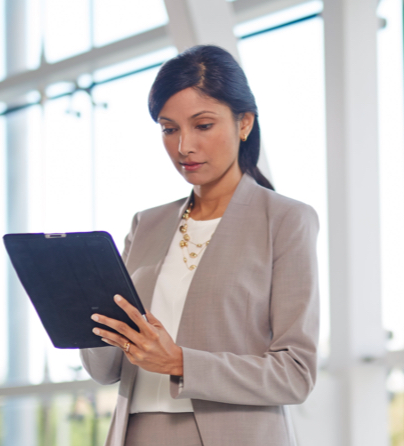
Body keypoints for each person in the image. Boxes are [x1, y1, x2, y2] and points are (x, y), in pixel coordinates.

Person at [80, 44, 320, 446]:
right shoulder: (147, 224)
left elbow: (296, 374)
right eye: (169, 128)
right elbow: (106, 369)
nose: (183, 146)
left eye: (202, 125)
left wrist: (180, 362)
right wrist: (82, 313)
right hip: (138, 431)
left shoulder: (284, 220)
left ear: (244, 123)